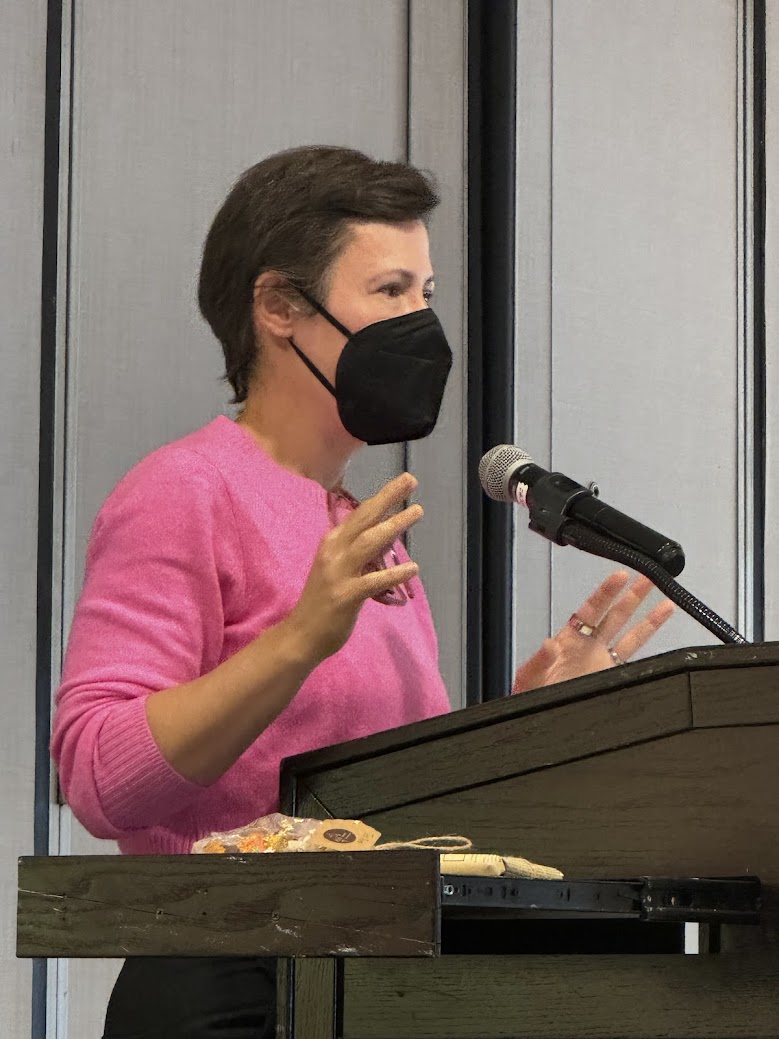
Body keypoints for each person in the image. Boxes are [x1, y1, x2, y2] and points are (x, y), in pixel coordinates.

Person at [50, 145, 674, 1039]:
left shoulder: (355, 519)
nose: (422, 323)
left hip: (374, 981)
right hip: (230, 983)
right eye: (389, 292)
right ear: (278, 308)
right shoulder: (185, 489)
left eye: (426, 293)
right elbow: (98, 774)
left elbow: (382, 815)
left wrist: (526, 721)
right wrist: (298, 637)